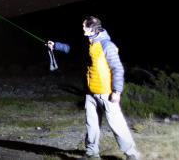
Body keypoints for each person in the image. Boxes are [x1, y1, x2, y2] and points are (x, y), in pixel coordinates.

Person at [47, 16, 142, 160]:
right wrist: (56, 45)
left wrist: (117, 91)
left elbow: (118, 69)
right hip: (90, 92)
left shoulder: (107, 45)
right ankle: (92, 153)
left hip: (107, 93)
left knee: (117, 124)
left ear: (92, 28)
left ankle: (132, 153)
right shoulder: (89, 44)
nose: (82, 28)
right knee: (91, 124)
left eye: (84, 26)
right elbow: (72, 50)